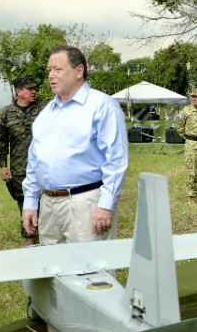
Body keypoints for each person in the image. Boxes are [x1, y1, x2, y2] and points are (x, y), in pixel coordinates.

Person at [22, 46, 128, 244]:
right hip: (49, 205)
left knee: (91, 270)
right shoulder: (46, 114)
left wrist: (105, 205)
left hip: (85, 202)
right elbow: (35, 161)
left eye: (58, 69)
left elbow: (116, 160)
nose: (51, 75)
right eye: (49, 70)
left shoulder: (102, 106)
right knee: (54, 270)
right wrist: (30, 202)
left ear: (79, 71)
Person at [0, 75, 45, 245]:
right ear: (18, 91)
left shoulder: (44, 110)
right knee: (25, 204)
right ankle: (29, 240)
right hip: (19, 169)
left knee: (46, 205)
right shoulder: (7, 113)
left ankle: (47, 240)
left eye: (34, 88)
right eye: (29, 88)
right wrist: (3, 165)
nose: (34, 91)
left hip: (43, 167)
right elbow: (2, 141)